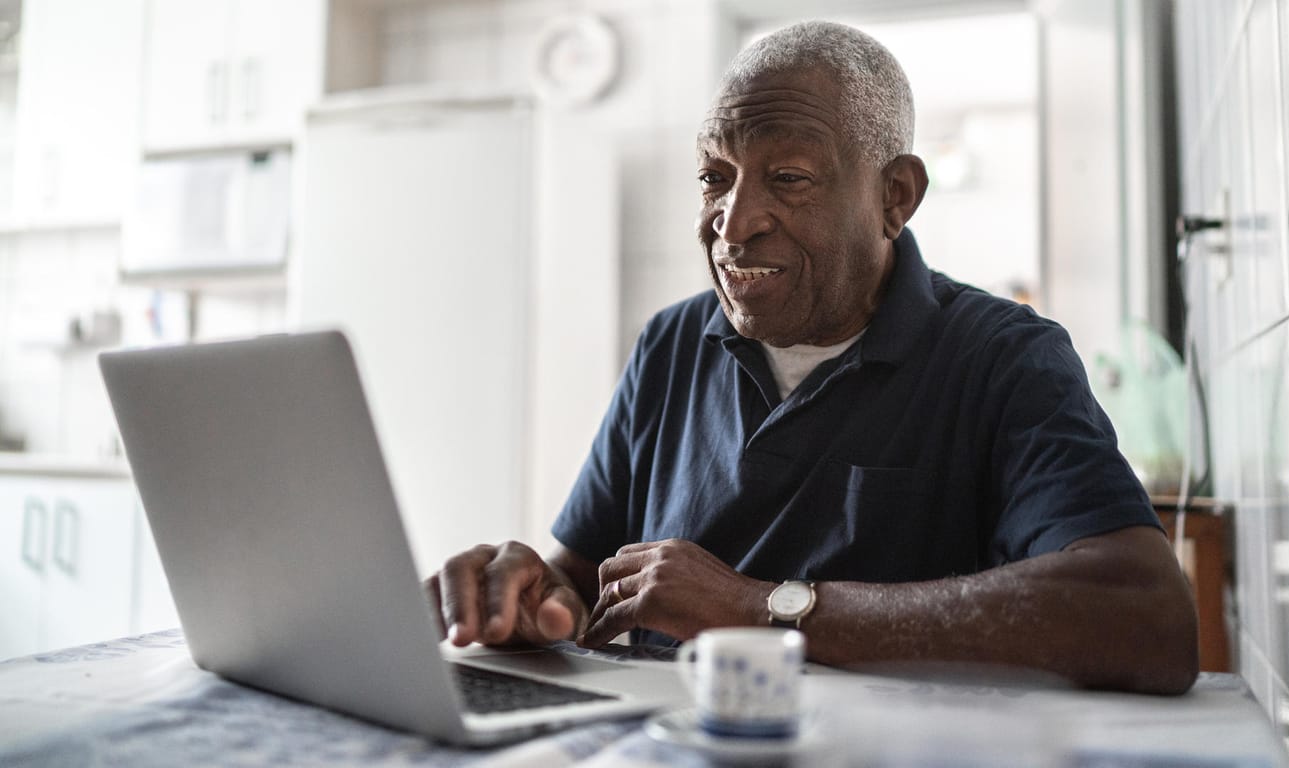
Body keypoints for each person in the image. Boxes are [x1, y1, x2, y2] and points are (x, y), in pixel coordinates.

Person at [424, 20, 1198, 695]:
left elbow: (1146, 615)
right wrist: (528, 601)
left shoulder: (1005, 359)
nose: (732, 225)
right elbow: (583, 584)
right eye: (714, 179)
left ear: (896, 196)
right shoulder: (670, 344)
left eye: (787, 179)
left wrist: (763, 609)